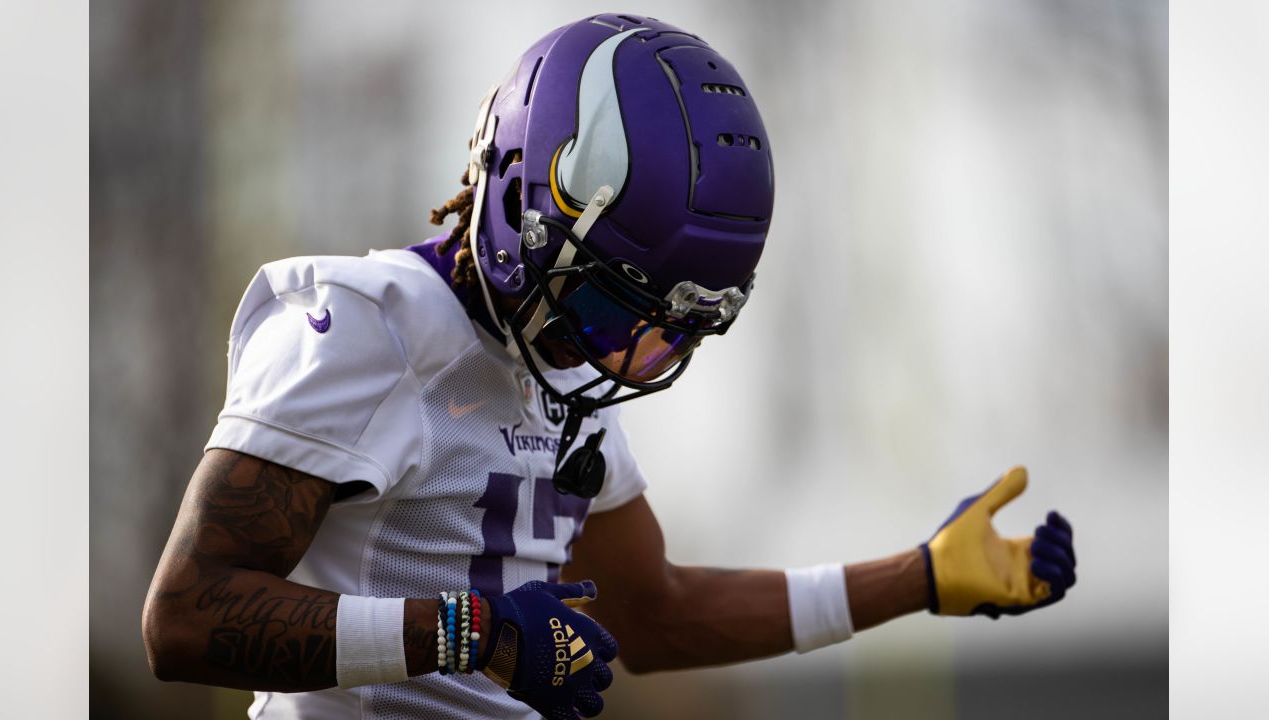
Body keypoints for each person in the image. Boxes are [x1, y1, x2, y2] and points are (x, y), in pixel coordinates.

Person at [143, 13, 1077, 720]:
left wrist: (918, 577)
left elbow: (658, 615)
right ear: (521, 202)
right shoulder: (365, 329)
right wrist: (471, 633)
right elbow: (184, 616)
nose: (618, 358)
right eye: (606, 307)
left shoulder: (565, 366)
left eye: (667, 334)